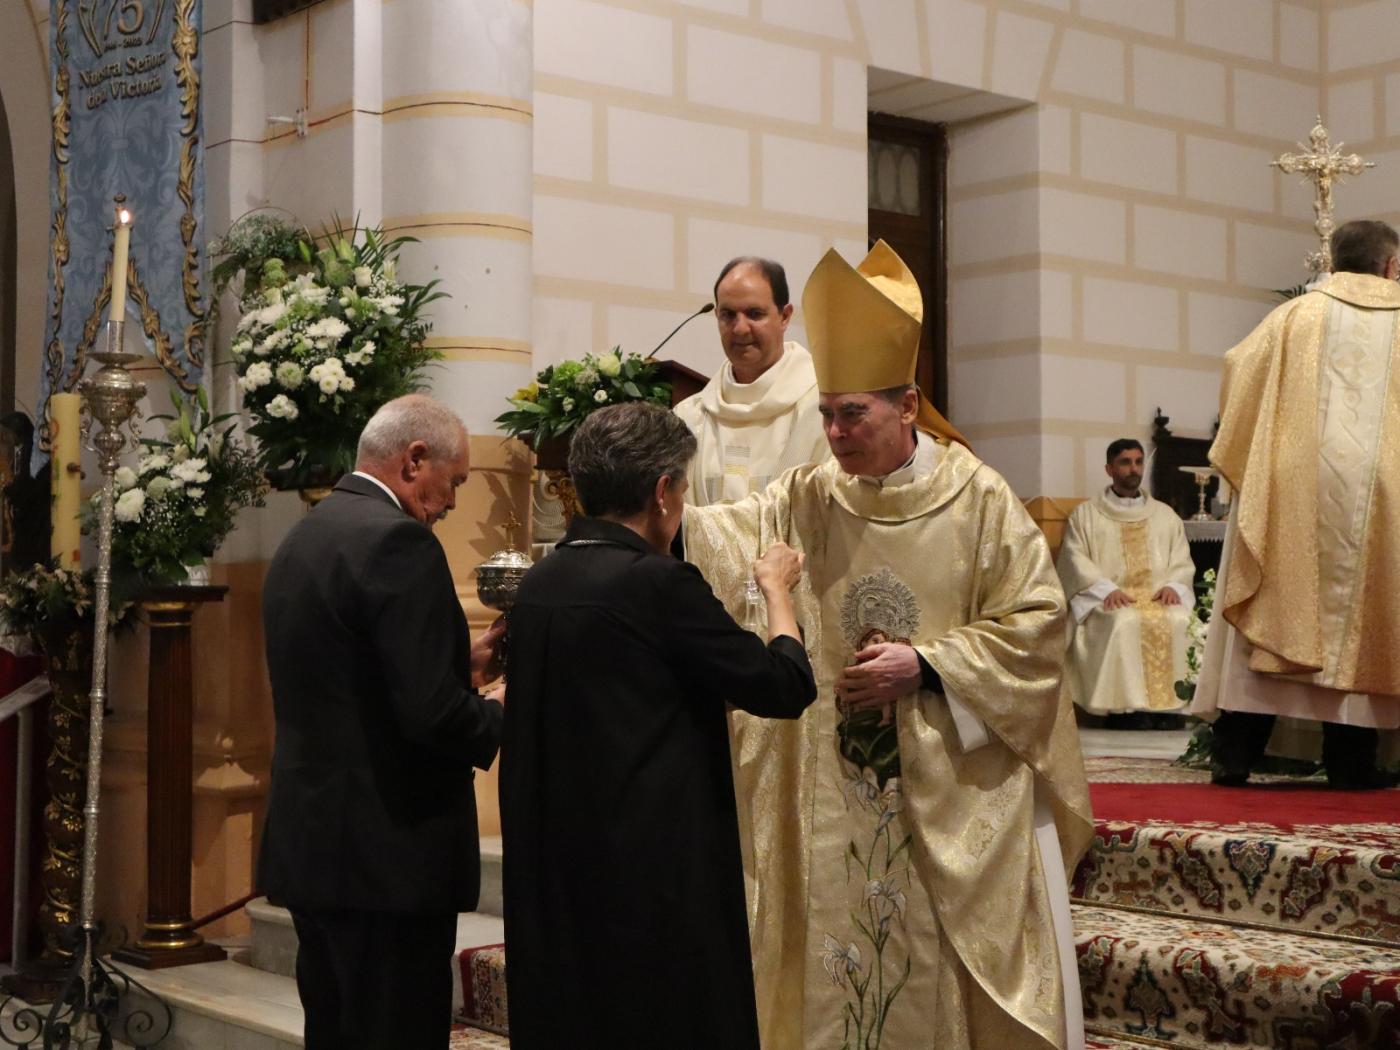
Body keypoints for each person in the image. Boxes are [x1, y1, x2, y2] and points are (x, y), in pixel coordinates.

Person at [684, 242, 1091, 1050]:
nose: (834, 434)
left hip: (943, 780)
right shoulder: (813, 494)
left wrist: (929, 663)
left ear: (907, 406)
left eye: (852, 415)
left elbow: (1039, 622)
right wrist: (637, 519)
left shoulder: (976, 497)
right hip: (833, 778)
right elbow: (728, 535)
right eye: (826, 415)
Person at [499, 401, 817, 1049]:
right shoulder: (658, 584)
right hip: (652, 872)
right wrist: (777, 590)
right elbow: (785, 686)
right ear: (664, 491)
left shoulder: (540, 584)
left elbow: (623, 694)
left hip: (559, 866)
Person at [258, 395, 506, 1050]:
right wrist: (499, 710)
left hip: (317, 846)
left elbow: (348, 675)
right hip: (387, 857)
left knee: (336, 1030)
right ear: (414, 459)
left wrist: (461, 663)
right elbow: (430, 714)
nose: (451, 502)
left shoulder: (309, 532)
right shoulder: (400, 541)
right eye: (453, 482)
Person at [1193, 218, 1400, 788]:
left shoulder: (1295, 316)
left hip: (1294, 482)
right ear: (1391, 266)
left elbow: (1238, 368)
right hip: (1383, 490)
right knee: (1359, 628)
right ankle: (1351, 763)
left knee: (1275, 609)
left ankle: (1235, 755)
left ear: (1334, 262)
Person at [1057, 438, 1195, 724]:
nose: (1134, 469)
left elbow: (1181, 560)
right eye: (1125, 462)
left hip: (1157, 596)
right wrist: (1105, 590)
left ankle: (1173, 710)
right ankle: (1125, 711)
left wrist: (1173, 585)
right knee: (1124, 621)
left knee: (1181, 619)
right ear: (1109, 469)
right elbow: (1074, 560)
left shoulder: (1165, 516)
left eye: (1138, 462)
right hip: (1111, 598)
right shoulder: (1086, 516)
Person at [673, 256, 829, 505]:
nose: (740, 329)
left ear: (785, 316)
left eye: (754, 314)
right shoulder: (690, 418)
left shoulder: (823, 410)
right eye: (728, 315)